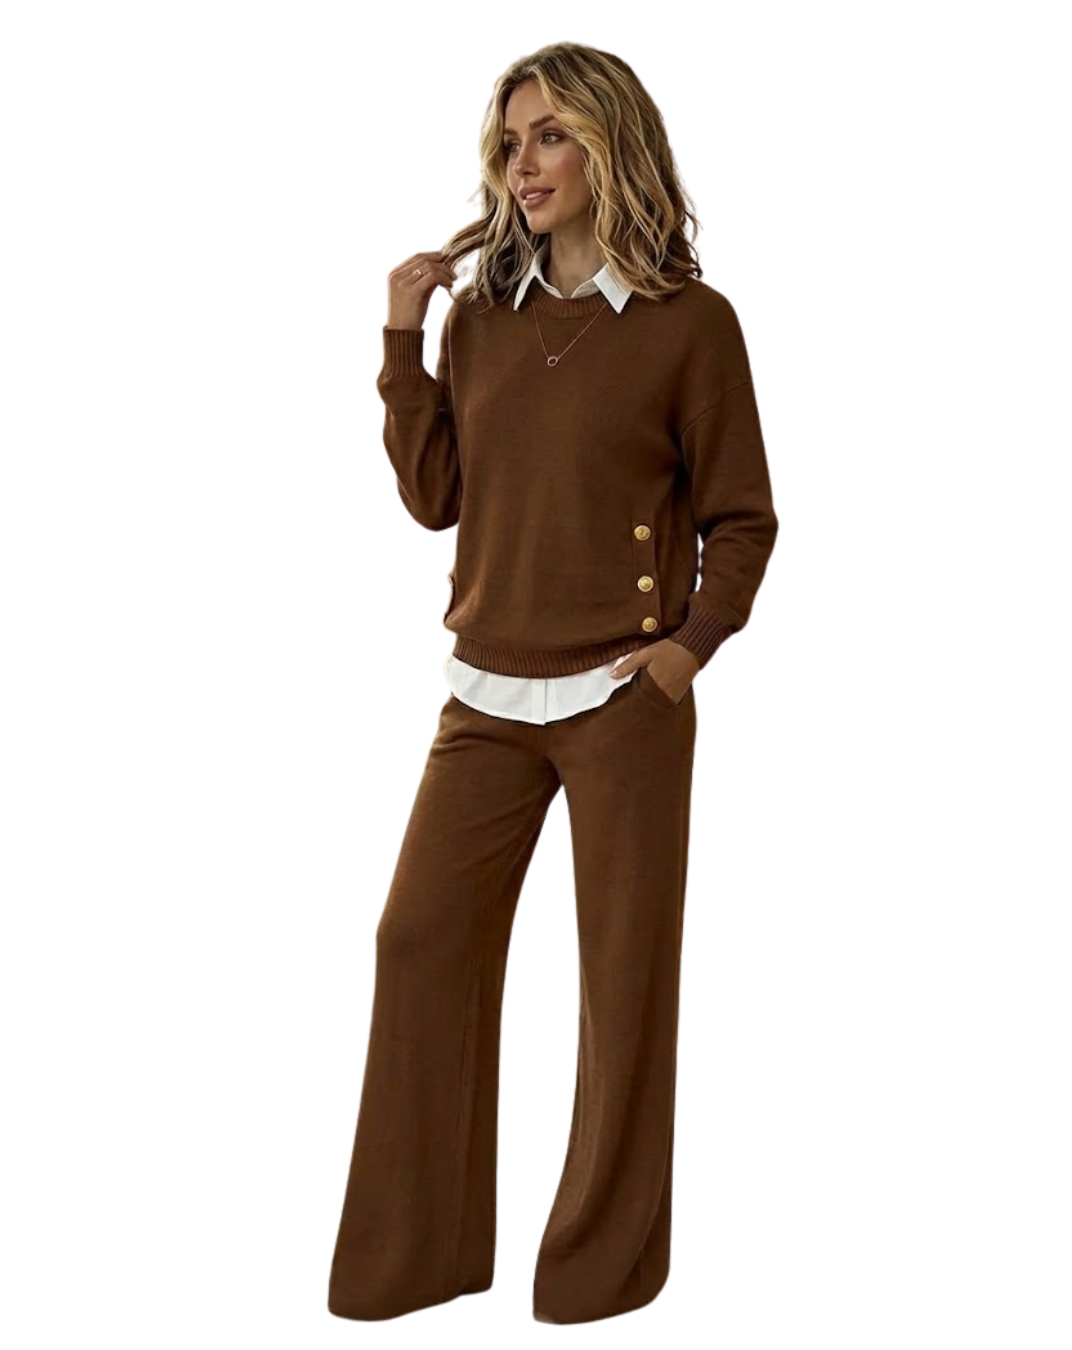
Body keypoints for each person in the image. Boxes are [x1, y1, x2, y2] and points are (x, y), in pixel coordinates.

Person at [327, 40, 778, 1325]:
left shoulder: (692, 326)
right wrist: (403, 341)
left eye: (552, 137)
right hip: (485, 694)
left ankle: (597, 1278)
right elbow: (437, 498)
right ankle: (415, 1264)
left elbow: (743, 518)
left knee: (622, 988)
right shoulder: (481, 320)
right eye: (511, 141)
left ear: (610, 146)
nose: (523, 165)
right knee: (418, 941)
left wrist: (688, 647)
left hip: (628, 699)